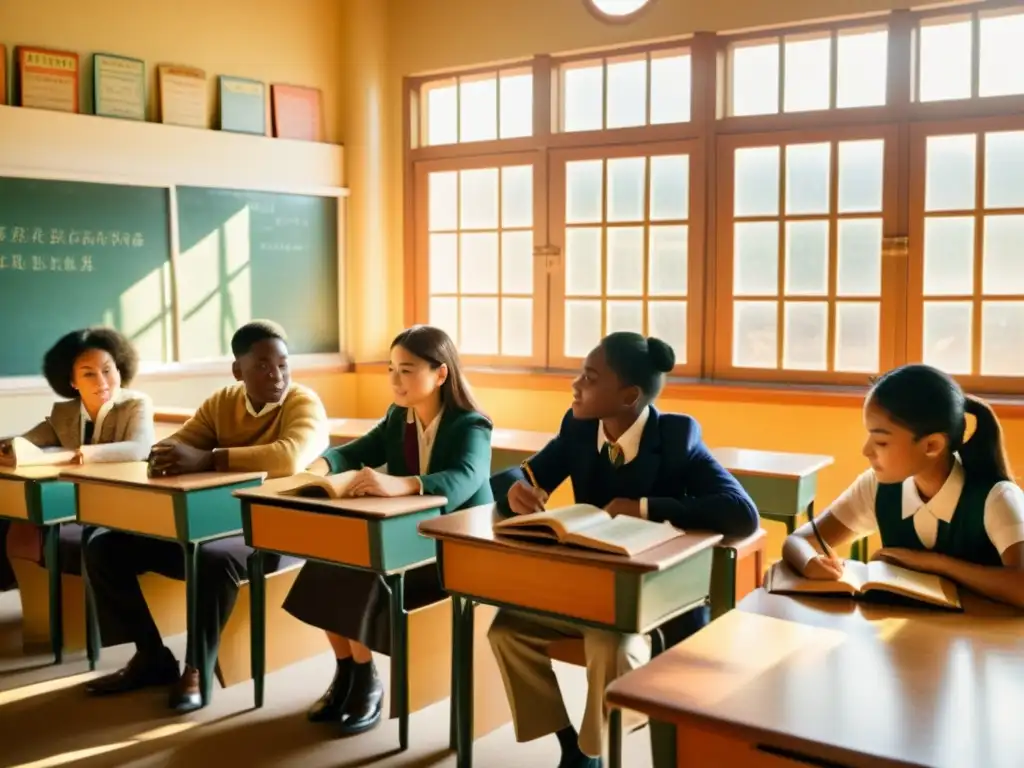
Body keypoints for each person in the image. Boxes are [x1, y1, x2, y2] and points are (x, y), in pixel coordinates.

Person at [488, 332, 759, 768]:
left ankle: (597, 753)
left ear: (629, 395)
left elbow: (743, 514)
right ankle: (571, 746)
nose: (575, 385)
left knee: (610, 648)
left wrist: (647, 508)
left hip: (650, 602)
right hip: (586, 589)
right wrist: (515, 490)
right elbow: (515, 477)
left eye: (590, 378)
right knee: (505, 631)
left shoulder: (675, 438)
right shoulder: (578, 429)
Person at [82, 320, 329, 713]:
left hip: (277, 532)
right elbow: (179, 442)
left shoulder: (303, 402)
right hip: (211, 526)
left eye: (283, 365)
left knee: (211, 559)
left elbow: (289, 456)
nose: (276, 375)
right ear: (238, 372)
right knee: (104, 547)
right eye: (263, 366)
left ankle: (196, 668)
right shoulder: (223, 401)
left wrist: (210, 458)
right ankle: (151, 656)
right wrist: (166, 456)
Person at [283, 325, 493, 736]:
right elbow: (355, 452)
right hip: (409, 538)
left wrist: (404, 483)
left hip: (459, 549)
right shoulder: (400, 416)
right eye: (392, 369)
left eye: (408, 370)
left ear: (441, 374)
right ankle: (348, 674)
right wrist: (316, 470)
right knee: (328, 563)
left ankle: (366, 681)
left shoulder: (471, 424)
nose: (396, 380)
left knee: (360, 572)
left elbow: (464, 478)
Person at [782, 363, 1024, 608]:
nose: (866, 450)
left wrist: (933, 563)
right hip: (913, 638)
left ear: (932, 446)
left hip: (988, 642)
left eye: (881, 441)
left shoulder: (997, 497)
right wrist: (810, 562)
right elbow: (799, 541)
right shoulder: (876, 486)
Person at [0, 328, 153, 582]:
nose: (102, 382)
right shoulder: (66, 413)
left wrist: (78, 454)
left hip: (123, 501)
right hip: (73, 501)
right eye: (88, 374)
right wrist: (8, 449)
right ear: (72, 381)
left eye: (107, 370)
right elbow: (27, 439)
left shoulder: (136, 403)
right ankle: (19, 586)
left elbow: (139, 448)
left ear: (119, 369)